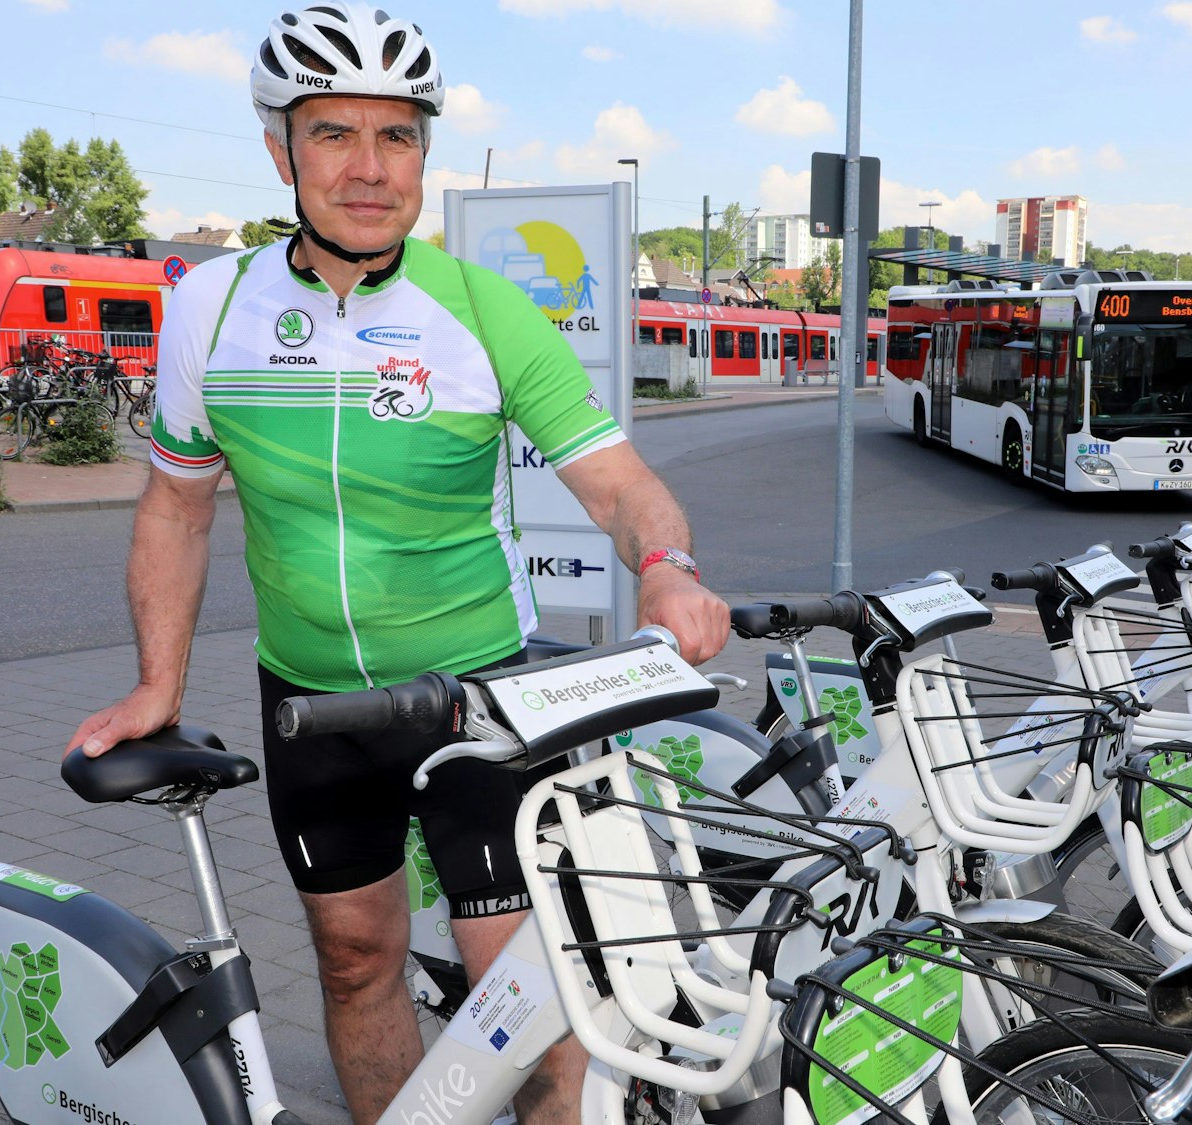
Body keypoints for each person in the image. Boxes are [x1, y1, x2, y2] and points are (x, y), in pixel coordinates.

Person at [64, 8, 729, 1123]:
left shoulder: (480, 310)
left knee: (521, 993)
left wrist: (663, 563)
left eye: (397, 136)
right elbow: (176, 509)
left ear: (425, 150)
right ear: (281, 149)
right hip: (314, 705)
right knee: (354, 962)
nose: (369, 169)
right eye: (334, 134)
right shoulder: (209, 309)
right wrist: (157, 686)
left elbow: (617, 481)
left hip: (477, 698)